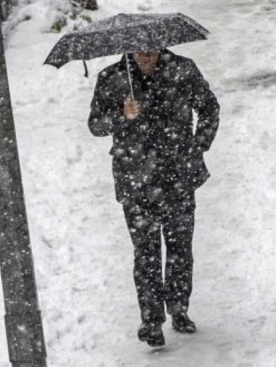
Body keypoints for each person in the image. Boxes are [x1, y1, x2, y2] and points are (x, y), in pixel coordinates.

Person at [88, 49, 219, 347]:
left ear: (161, 48)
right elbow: (95, 125)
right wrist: (121, 115)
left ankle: (178, 308)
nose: (146, 57)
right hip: (135, 179)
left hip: (178, 175)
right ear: (129, 50)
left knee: (179, 247)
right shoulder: (112, 78)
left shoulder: (182, 70)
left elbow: (209, 107)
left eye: (152, 51)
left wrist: (198, 146)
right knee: (145, 252)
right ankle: (151, 320)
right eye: (140, 52)